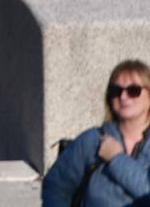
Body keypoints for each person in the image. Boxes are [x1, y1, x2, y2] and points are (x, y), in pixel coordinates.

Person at [41, 59, 150, 207]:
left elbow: (146, 189)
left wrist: (116, 158)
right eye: (116, 91)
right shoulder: (92, 140)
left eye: (133, 91)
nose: (123, 97)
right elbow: (56, 187)